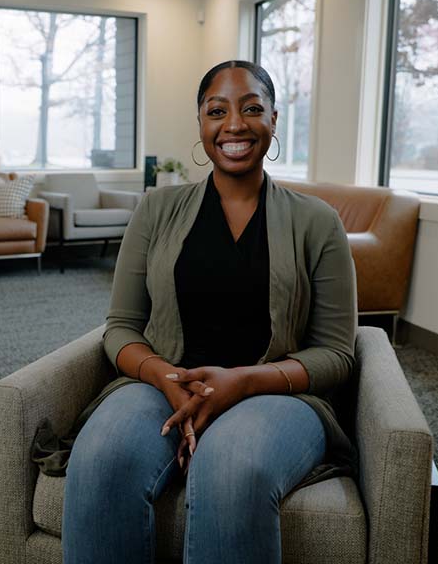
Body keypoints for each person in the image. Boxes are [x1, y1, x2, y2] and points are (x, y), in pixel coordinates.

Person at [61, 60, 358, 564]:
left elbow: (336, 353)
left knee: (230, 467)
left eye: (252, 109)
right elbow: (122, 329)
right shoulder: (155, 211)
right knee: (102, 459)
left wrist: (242, 382)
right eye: (217, 111)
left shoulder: (318, 222)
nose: (235, 125)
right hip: (164, 386)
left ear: (274, 120)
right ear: (201, 125)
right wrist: (162, 375)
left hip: (276, 395)